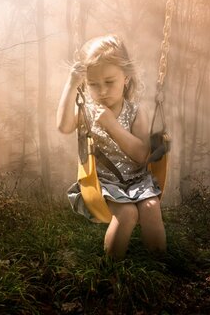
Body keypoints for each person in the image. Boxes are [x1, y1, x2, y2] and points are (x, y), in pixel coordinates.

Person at [57, 34, 166, 259]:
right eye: (93, 85)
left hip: (137, 179)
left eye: (109, 82)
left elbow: (141, 154)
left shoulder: (136, 112)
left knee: (151, 208)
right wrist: (70, 85)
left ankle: (159, 265)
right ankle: (110, 269)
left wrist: (111, 125)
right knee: (126, 214)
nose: (102, 90)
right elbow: (64, 126)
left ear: (126, 77)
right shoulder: (86, 110)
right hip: (102, 184)